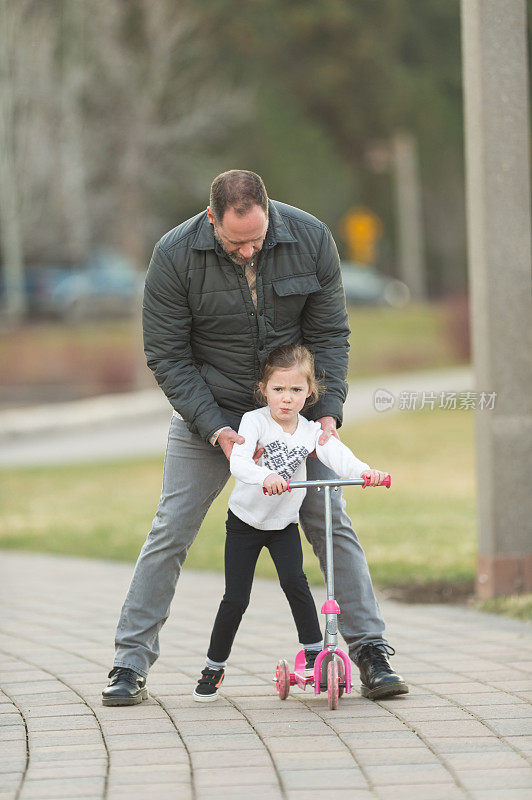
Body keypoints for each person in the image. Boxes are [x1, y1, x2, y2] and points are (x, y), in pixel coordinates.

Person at [102, 169, 408, 707]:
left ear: (270, 212)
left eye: (257, 239)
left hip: (291, 414)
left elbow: (330, 335)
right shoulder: (174, 255)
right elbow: (167, 355)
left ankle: (372, 651)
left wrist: (328, 413)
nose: (248, 250)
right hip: (210, 413)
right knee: (171, 529)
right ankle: (129, 663)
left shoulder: (311, 239)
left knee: (331, 521)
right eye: (235, 240)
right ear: (210, 217)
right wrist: (217, 429)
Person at [193, 343, 390, 702]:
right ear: (263, 389)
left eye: (296, 390)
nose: (286, 399)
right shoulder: (254, 422)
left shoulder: (311, 431)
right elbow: (239, 462)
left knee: (296, 584)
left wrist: (365, 472)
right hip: (246, 522)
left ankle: (315, 653)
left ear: (310, 393)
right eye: (278, 389)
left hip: (283, 523)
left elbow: (338, 455)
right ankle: (214, 665)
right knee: (236, 598)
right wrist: (263, 475)